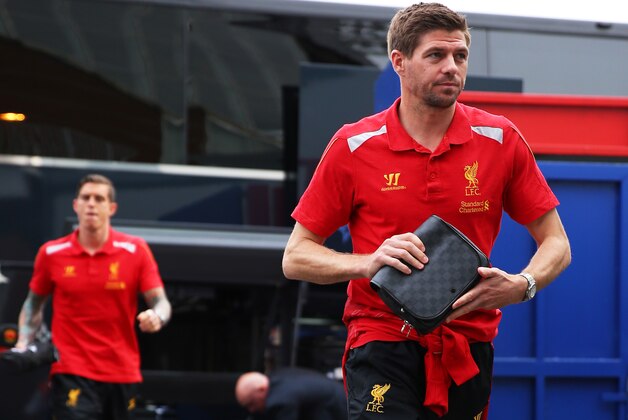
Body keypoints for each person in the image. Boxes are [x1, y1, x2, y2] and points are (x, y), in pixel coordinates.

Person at [282, 3, 571, 419]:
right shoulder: (353, 145)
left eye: (460, 55)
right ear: (399, 62)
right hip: (380, 339)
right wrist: (369, 263)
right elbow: (295, 257)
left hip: (467, 344)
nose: (451, 67)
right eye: (436, 55)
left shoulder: (500, 139)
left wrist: (523, 284)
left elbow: (557, 242)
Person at [14, 173, 172, 419]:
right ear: (75, 205)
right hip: (71, 368)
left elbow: (161, 302)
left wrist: (157, 317)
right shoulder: (52, 253)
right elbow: (33, 304)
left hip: (122, 371)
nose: (91, 204)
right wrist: (24, 342)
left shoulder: (135, 250)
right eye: (85, 198)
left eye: (99, 198)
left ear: (111, 208)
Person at [235, 367, 347, 420]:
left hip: (338, 411)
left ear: (261, 389)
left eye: (251, 403)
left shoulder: (278, 401)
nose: (251, 410)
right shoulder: (278, 376)